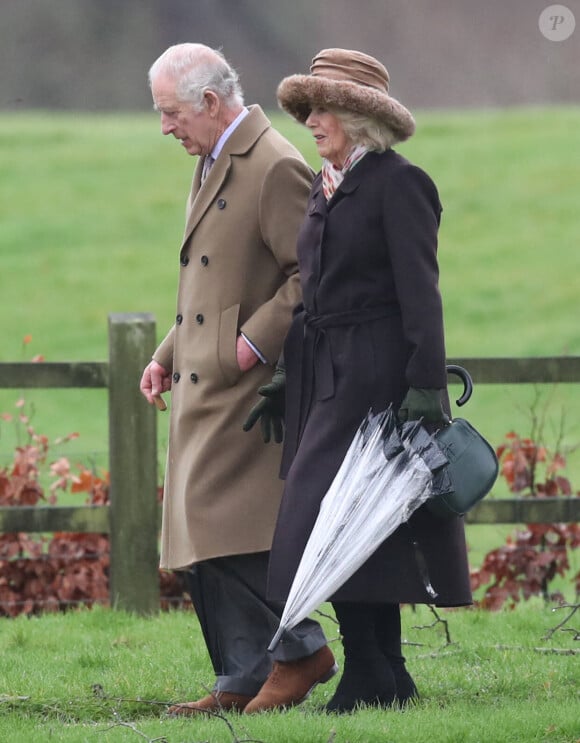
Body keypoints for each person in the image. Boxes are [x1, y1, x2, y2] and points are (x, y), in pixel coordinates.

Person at [244, 48, 472, 714]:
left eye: (323, 108)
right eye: (308, 108)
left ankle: (374, 670)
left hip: (377, 377)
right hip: (325, 374)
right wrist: (289, 372)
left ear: (356, 116)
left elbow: (421, 295)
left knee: (354, 521)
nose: (311, 120)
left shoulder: (400, 184)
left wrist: (426, 385)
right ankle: (385, 671)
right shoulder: (326, 185)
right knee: (338, 523)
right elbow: (313, 293)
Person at [139, 43, 337, 716]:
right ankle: (240, 675)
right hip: (202, 380)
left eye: (171, 113)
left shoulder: (274, 163)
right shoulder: (211, 160)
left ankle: (301, 649)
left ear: (210, 103)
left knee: (227, 526)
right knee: (198, 533)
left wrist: (252, 343)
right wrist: (167, 351)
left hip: (242, 386)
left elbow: (309, 273)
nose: (165, 127)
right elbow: (207, 280)